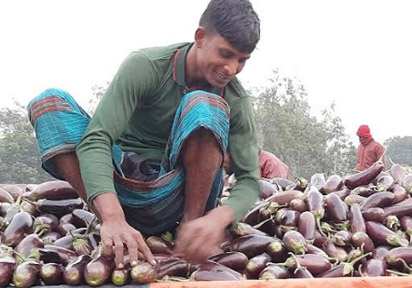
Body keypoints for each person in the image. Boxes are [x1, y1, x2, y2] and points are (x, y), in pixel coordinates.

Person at [27, 0, 261, 266]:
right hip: (123, 188)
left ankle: (189, 231)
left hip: (179, 197)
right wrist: (113, 216)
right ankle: (114, 227)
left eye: (242, 60)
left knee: (205, 104)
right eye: (225, 53)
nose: (231, 69)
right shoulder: (147, 66)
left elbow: (250, 179)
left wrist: (217, 219)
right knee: (48, 103)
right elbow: (97, 139)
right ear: (200, 37)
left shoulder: (235, 99)